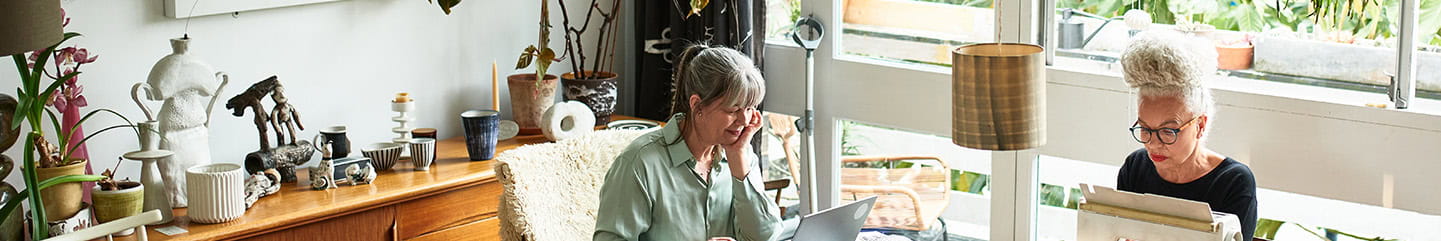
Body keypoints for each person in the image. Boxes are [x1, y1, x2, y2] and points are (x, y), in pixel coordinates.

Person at [594, 45, 781, 241]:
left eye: (750, 108)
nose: (744, 120)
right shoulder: (640, 163)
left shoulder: (742, 156)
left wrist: (740, 166)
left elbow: (766, 237)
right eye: (733, 109)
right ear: (697, 105)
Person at [1116, 30, 1258, 238]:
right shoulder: (1135, 168)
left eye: (1167, 131)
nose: (1153, 144)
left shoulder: (1232, 181)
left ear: (1200, 125)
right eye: (1145, 129)